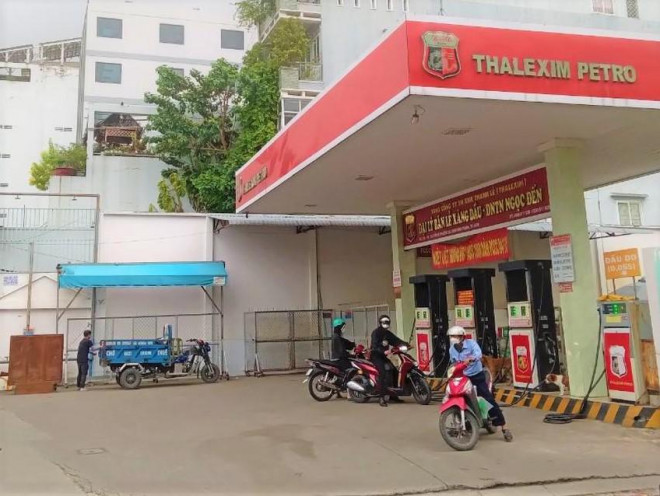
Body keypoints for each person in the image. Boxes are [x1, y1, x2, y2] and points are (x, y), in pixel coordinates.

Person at [447, 326, 513, 442]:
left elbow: (478, 354)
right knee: (455, 396)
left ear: (462, 337)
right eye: (451, 336)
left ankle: (504, 426)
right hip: (463, 377)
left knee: (488, 399)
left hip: (476, 376)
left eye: (455, 336)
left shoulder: (471, 344)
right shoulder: (452, 349)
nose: (453, 338)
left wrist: (472, 358)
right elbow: (454, 363)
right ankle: (464, 421)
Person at [370, 315, 407, 407]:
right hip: (376, 356)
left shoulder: (387, 334)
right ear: (380, 322)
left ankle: (393, 395)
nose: (386, 324)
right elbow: (374, 346)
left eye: (387, 322)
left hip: (383, 357)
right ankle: (381, 397)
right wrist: (382, 351)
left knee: (394, 371)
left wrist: (406, 344)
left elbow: (396, 341)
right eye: (384, 322)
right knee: (382, 373)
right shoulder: (376, 333)